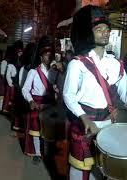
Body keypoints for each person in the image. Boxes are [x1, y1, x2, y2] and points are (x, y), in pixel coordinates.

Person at [63, 5, 127, 179]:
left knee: (101, 170)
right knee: (79, 168)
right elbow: (68, 95)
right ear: (89, 34)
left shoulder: (116, 64)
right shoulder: (77, 63)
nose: (105, 32)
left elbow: (125, 93)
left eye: (107, 29)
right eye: (99, 29)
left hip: (108, 124)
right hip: (85, 124)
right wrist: (83, 117)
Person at [21, 36, 58, 164]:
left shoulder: (55, 71)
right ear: (41, 57)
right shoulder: (33, 71)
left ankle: (47, 153)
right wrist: (31, 101)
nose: (49, 57)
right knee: (36, 130)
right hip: (37, 103)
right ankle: (37, 153)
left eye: (50, 55)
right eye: (46, 55)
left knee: (49, 129)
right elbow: (25, 89)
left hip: (50, 104)